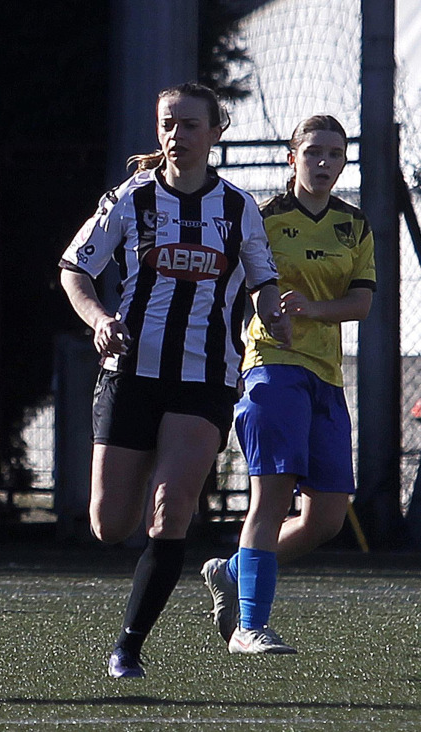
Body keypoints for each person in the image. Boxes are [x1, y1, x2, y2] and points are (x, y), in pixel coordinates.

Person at [58, 82, 290, 679]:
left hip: (204, 380)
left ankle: (128, 648)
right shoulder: (130, 199)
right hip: (129, 374)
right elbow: (74, 270)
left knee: (172, 507)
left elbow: (263, 281)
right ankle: (142, 617)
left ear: (216, 133)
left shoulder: (239, 208)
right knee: (110, 526)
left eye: (190, 125)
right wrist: (100, 319)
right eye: (168, 124)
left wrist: (274, 311)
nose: (176, 136)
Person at [200, 115, 374, 655]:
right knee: (271, 497)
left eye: (335, 154)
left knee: (325, 516)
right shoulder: (263, 216)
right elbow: (241, 282)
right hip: (271, 367)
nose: (324, 163)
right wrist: (267, 308)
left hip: (326, 375)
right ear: (292, 157)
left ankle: (234, 571)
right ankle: (250, 627)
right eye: (313, 152)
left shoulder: (355, 225)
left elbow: (362, 303)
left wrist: (316, 309)